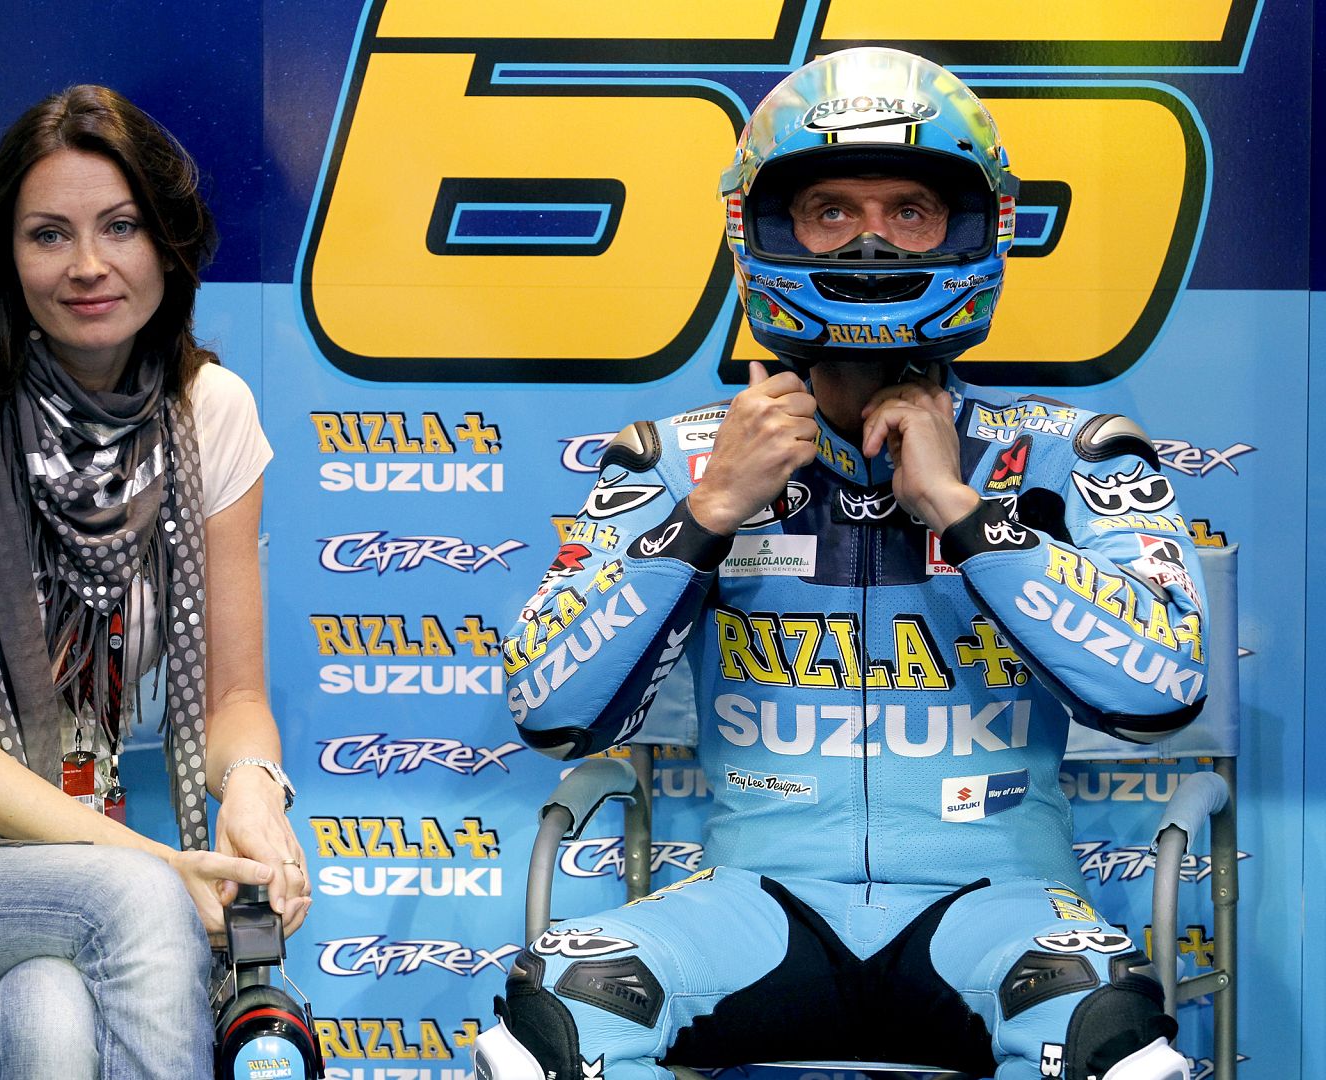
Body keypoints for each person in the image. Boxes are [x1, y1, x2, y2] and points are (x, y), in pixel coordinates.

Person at [476, 48, 1206, 1080]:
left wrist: (963, 512)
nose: (869, 241)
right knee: (548, 1028)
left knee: (1112, 1049)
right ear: (765, 229)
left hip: (1000, 913)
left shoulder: (1071, 454)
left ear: (972, 229)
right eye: (829, 210)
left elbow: (1161, 690)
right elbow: (552, 710)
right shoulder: (674, 458)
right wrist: (706, 514)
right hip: (753, 910)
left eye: (909, 209)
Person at [0, 85, 308, 1078]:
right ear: (8, 257)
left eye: (120, 226)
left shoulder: (213, 415)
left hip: (62, 882)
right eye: (49, 234)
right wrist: (165, 867)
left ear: (169, 244)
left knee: (48, 1018)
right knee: (137, 904)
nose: (87, 264)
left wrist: (255, 792)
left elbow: (237, 700)